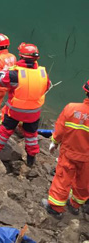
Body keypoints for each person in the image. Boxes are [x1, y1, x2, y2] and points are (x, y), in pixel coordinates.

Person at [0, 43, 50, 167]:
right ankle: (31, 158)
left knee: (5, 131)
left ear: (21, 56)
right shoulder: (43, 73)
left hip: (16, 111)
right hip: (34, 112)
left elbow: (0, 79)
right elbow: (46, 86)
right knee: (31, 135)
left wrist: (6, 69)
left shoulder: (15, 74)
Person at [43, 81, 89, 218]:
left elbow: (60, 130)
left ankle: (56, 208)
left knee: (62, 179)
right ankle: (75, 205)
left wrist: (54, 142)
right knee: (83, 182)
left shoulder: (71, 108)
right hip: (87, 158)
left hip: (69, 153)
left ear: (85, 91)